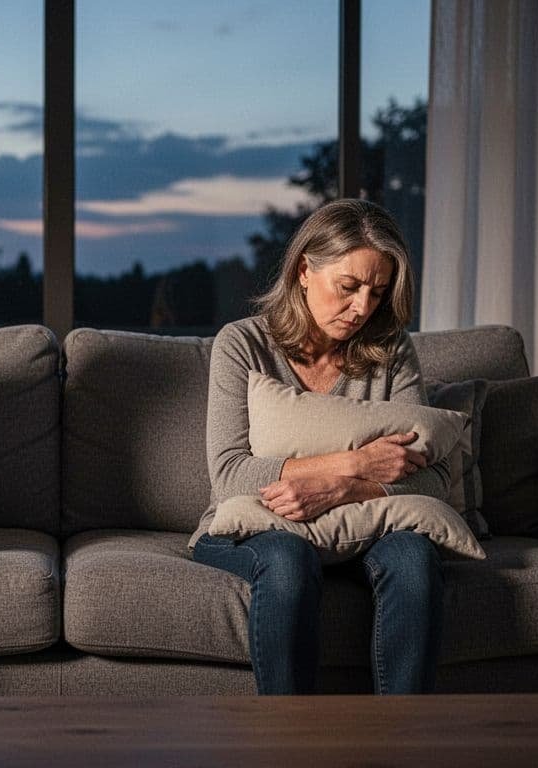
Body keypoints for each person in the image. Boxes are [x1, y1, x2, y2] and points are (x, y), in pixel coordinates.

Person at [190, 198, 449, 695]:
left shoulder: (391, 350)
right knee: (289, 561)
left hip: (366, 526)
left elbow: (430, 479)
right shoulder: (241, 344)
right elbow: (229, 476)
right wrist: (354, 463)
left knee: (414, 559)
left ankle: (406, 742)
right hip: (256, 525)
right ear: (305, 270)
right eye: (348, 287)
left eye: (376, 293)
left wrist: (338, 491)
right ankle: (290, 745)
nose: (361, 309)